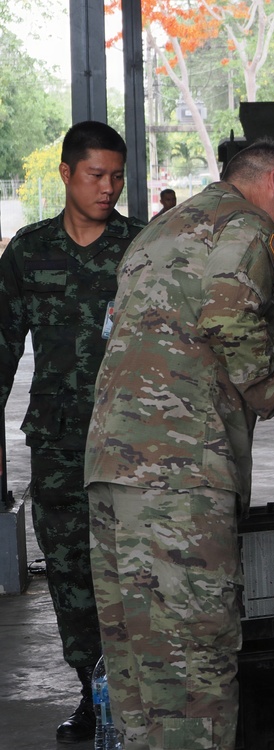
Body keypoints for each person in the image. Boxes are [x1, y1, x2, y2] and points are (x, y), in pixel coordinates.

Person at [85, 138, 274, 750]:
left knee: (138, 663)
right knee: (192, 670)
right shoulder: (248, 224)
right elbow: (229, 317)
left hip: (111, 466)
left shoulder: (157, 232)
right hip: (180, 476)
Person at [0, 120, 145, 744]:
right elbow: (2, 346)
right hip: (59, 442)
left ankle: (142, 694)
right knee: (68, 570)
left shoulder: (141, 249)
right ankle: (94, 692)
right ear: (66, 174)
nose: (108, 187)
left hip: (133, 441)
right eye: (95, 175)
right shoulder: (28, 252)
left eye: (117, 177)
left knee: (136, 567)